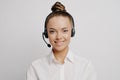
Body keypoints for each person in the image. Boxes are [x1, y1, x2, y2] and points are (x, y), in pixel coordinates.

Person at [26, 1, 96, 80]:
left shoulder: (85, 67)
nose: (59, 36)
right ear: (46, 34)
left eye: (64, 30)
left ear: (72, 32)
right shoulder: (35, 68)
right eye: (52, 31)